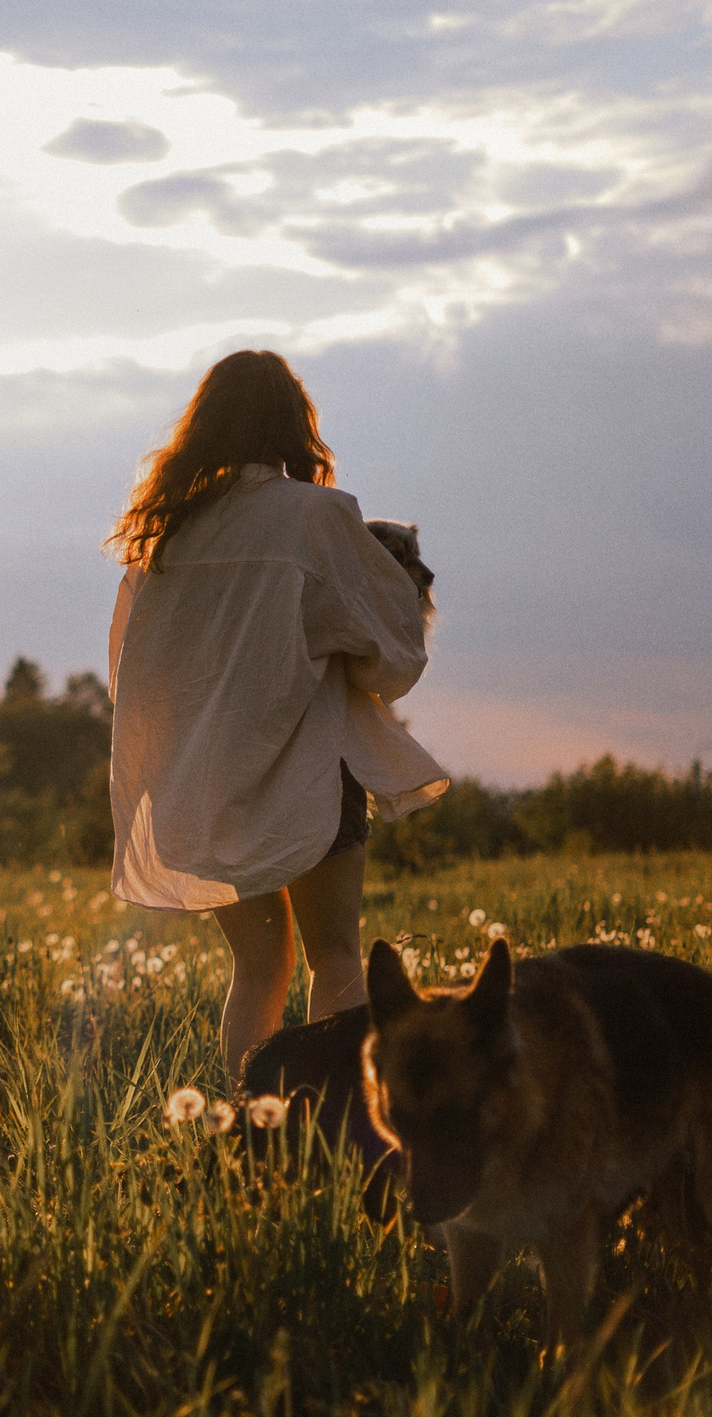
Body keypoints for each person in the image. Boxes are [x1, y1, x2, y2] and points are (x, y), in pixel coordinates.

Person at [104, 351, 447, 1077]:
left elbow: (135, 676)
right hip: (309, 769)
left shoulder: (166, 536)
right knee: (337, 957)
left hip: (209, 784)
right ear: (296, 426)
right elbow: (392, 654)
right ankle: (345, 1126)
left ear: (203, 427)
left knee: (259, 971)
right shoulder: (320, 516)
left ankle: (250, 1126)